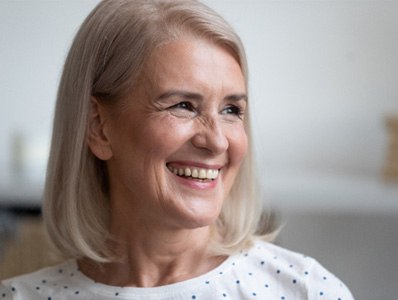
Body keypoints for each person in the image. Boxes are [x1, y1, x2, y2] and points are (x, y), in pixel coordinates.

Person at [1, 0, 354, 299]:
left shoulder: (304, 290)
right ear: (98, 126)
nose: (216, 141)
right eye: (183, 105)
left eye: (231, 110)